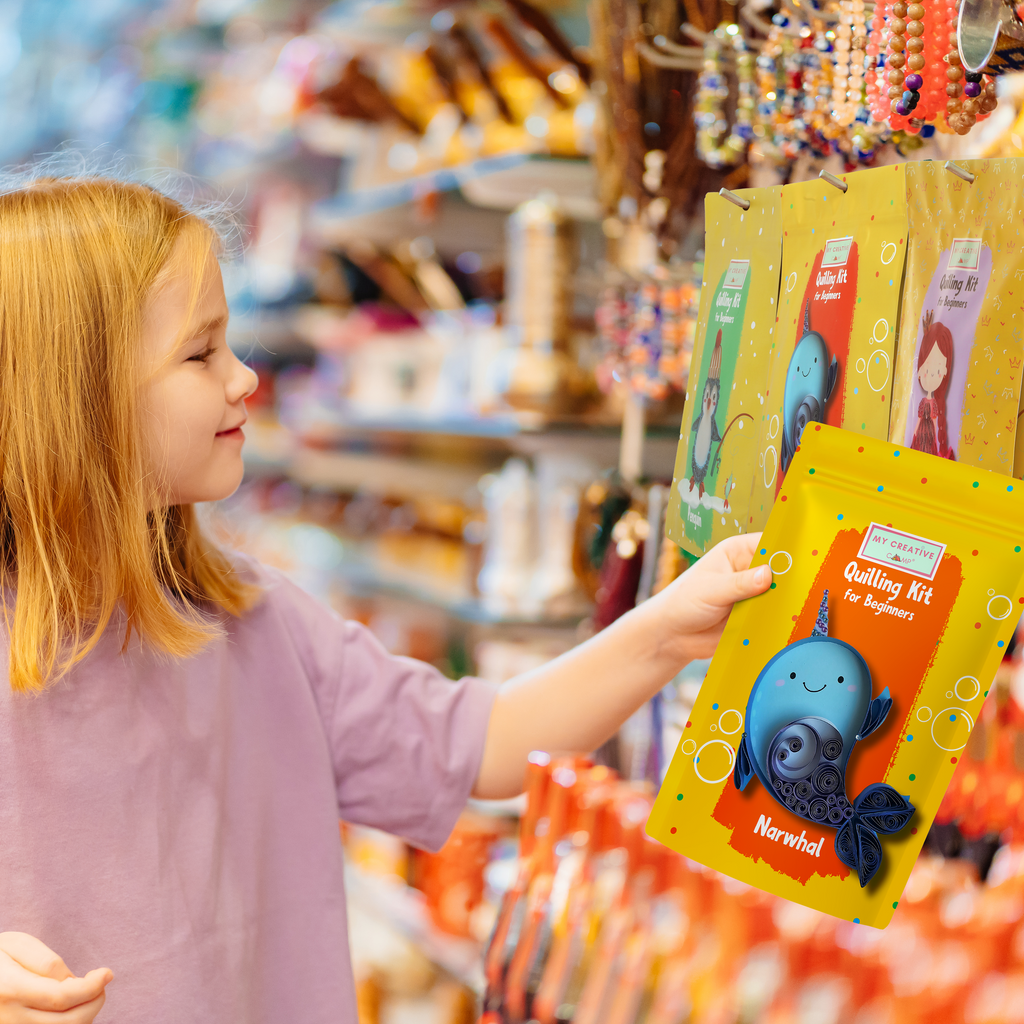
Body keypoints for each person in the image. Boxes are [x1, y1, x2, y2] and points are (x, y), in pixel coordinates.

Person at [0, 175, 771, 1024]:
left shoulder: (255, 619)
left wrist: (664, 630)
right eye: (201, 353)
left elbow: (479, 745)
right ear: (75, 399)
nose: (245, 379)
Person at [910, 309, 955, 460]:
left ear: (944, 372)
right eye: (927, 370)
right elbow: (918, 420)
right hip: (922, 436)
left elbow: (935, 422)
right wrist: (915, 435)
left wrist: (935, 439)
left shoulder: (936, 404)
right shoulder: (923, 402)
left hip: (929, 439)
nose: (931, 375)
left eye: (937, 372)